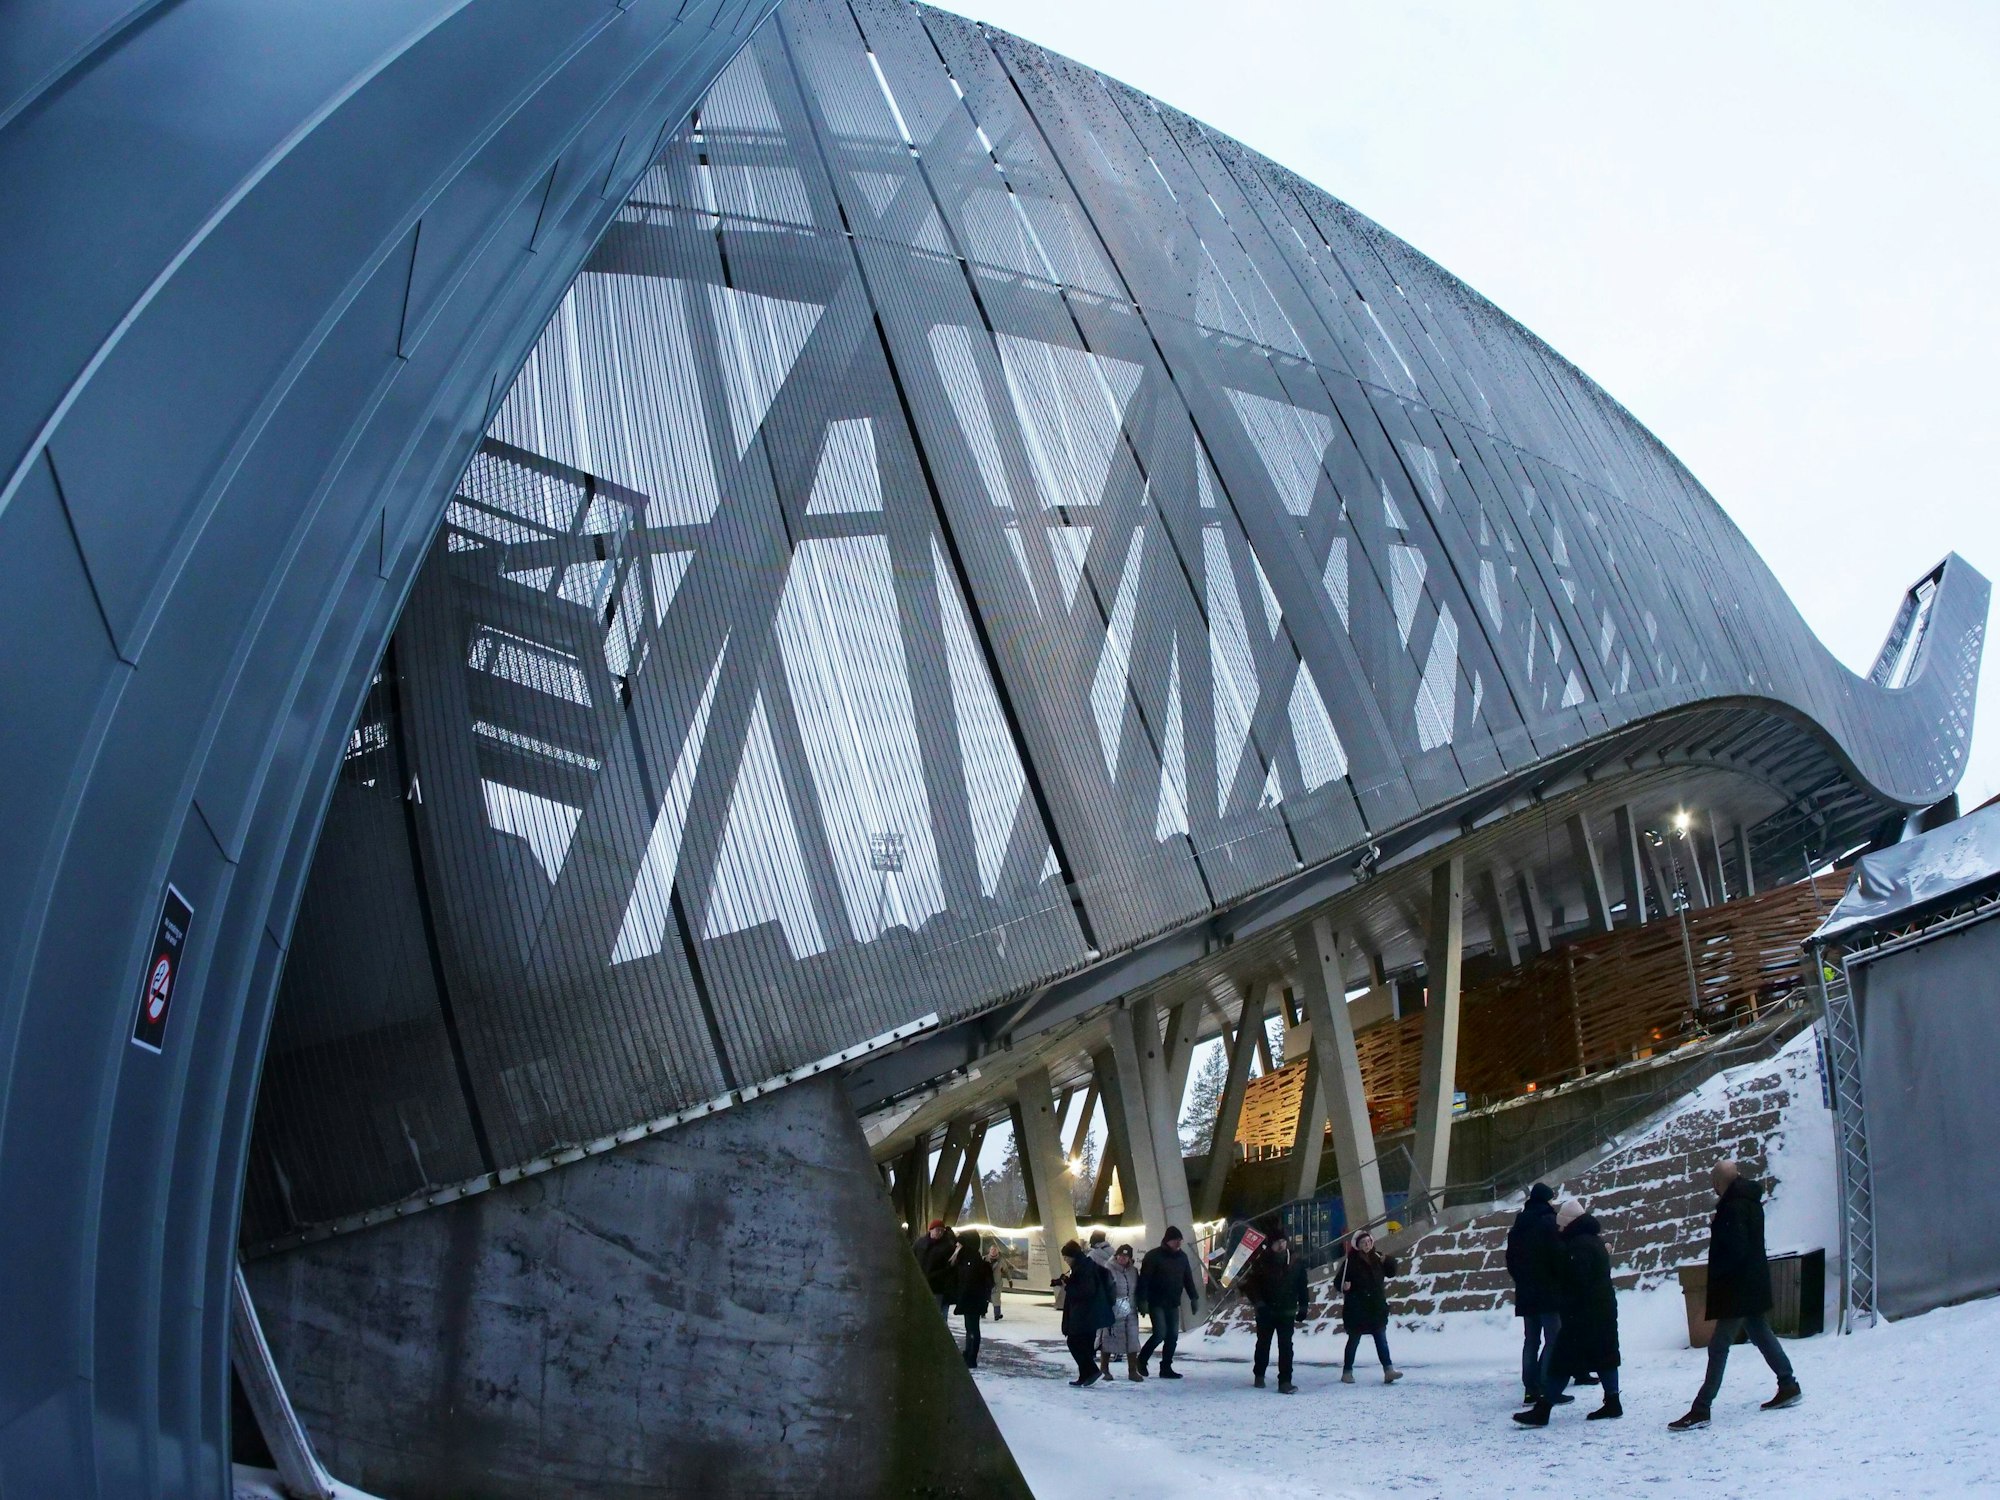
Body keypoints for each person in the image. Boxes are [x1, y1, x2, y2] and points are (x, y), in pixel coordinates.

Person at [1669, 1160, 1803, 1430]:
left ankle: (1701, 1407)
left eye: (1714, 1184)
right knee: (1761, 1333)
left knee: (1719, 1346)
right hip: (1751, 1283)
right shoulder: (1750, 1201)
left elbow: (1733, 1249)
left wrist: (1718, 1231)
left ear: (1720, 1183)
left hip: (1737, 1288)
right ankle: (1788, 1383)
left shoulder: (1732, 1208)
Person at [1514, 1198, 1621, 1426]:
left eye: (1561, 1225)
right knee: (1606, 1355)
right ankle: (1613, 1401)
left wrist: (1565, 1303)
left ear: (1569, 1223)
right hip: (1602, 1309)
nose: (1559, 1229)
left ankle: (1543, 1410)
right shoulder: (1592, 1240)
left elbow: (1576, 1282)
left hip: (1583, 1313)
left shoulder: (1578, 1246)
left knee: (1562, 1360)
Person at [1507, 1183, 1565, 1405]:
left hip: (1526, 1292)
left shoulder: (1519, 1224)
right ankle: (1546, 1384)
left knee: (1531, 1340)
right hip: (1548, 1291)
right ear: (1546, 1199)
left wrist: (1522, 1280)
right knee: (1553, 1339)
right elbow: (1557, 1256)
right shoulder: (1549, 1222)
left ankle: (1530, 1389)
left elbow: (1510, 1259)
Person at [1240, 1228, 1307, 1394]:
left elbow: (1302, 1285)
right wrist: (1260, 1304)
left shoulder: (1295, 1261)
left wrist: (1304, 1306)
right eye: (1278, 1242)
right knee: (1263, 1343)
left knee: (1286, 1346)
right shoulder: (1261, 1261)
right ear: (1271, 1245)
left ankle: (1285, 1381)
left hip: (1287, 1310)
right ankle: (1259, 1374)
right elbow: (1251, 1285)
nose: (1281, 1245)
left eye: (1284, 1241)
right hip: (1266, 1311)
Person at [1337, 1229, 1403, 1385]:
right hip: (1357, 1308)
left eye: (1368, 1242)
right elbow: (1338, 1282)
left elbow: (1392, 1272)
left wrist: (1388, 1260)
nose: (1366, 1245)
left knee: (1381, 1340)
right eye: (1363, 1243)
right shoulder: (1350, 1262)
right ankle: (1347, 1371)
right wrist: (1345, 1287)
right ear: (1357, 1245)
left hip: (1376, 1306)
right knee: (1353, 1341)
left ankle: (1388, 1370)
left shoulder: (1378, 1257)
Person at [1137, 1226, 1201, 1379]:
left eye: (1180, 1241)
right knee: (1160, 1334)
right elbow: (1144, 1280)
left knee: (1172, 1336)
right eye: (1176, 1240)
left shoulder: (1182, 1257)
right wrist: (1143, 1300)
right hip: (1156, 1301)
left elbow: (1188, 1279)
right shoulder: (1153, 1256)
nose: (1178, 1243)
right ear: (1168, 1240)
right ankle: (1142, 1360)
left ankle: (1166, 1367)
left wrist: (1194, 1297)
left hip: (1173, 1302)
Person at [1056, 1239, 1115, 1387]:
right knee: (1085, 1344)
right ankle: (1084, 1376)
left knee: (1074, 1342)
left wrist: (1067, 1286)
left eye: (1066, 1258)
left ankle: (1092, 1371)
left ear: (1073, 1256)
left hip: (1086, 1313)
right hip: (1090, 1313)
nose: (1065, 1261)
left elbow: (1085, 1291)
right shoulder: (1085, 1265)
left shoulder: (1084, 1268)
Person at [1097, 1244, 1145, 1381]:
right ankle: (1104, 1368)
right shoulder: (1108, 1269)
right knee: (1109, 1337)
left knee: (1132, 1338)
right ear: (1116, 1255)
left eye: (1126, 1256)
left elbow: (1137, 1289)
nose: (1123, 1258)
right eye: (1121, 1255)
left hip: (1130, 1307)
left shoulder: (1133, 1271)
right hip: (1113, 1307)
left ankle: (1132, 1370)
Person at [953, 1228, 995, 1368]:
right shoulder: (968, 1259)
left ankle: (971, 1356)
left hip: (972, 1299)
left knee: (972, 1328)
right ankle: (968, 1353)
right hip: (972, 1299)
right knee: (970, 1327)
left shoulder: (971, 1260)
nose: (957, 1246)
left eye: (960, 1244)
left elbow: (969, 1282)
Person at [913, 1220, 958, 1318]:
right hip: (920, 1284)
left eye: (942, 1231)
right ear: (931, 1230)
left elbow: (949, 1267)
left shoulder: (947, 1247)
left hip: (937, 1286)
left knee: (935, 1313)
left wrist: (937, 1275)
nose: (940, 1233)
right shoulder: (920, 1243)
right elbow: (913, 1258)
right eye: (938, 1230)